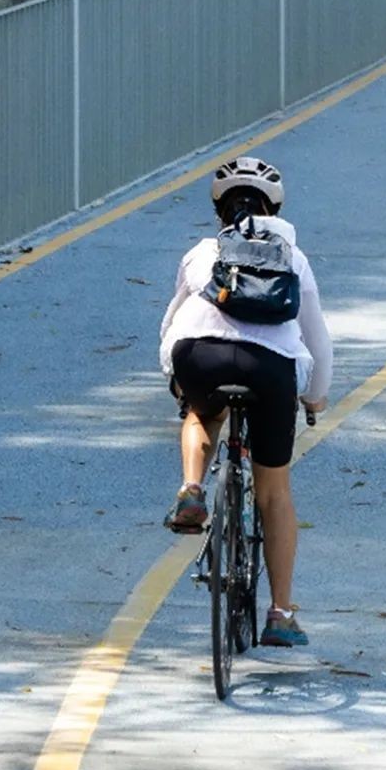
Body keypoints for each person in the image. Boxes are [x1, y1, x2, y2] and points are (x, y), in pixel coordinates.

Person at [159, 155, 332, 647]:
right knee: (274, 491)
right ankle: (279, 614)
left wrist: (175, 376)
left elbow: (174, 322)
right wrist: (315, 398)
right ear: (273, 209)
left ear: (220, 210)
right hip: (272, 369)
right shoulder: (294, 258)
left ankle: (193, 488)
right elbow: (317, 338)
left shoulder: (201, 252)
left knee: (199, 412)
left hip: (201, 356)